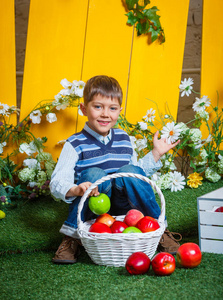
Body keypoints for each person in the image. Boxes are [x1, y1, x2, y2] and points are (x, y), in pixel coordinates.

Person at [50, 75, 182, 264]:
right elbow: (56, 182)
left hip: (125, 209)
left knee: (130, 170)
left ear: (120, 111)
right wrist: (76, 189)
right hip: (93, 208)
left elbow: (137, 174)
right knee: (95, 175)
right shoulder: (74, 143)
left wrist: (155, 154)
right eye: (98, 107)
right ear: (83, 109)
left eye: (112, 108)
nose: (105, 114)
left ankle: (158, 230)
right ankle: (72, 237)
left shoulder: (124, 139)